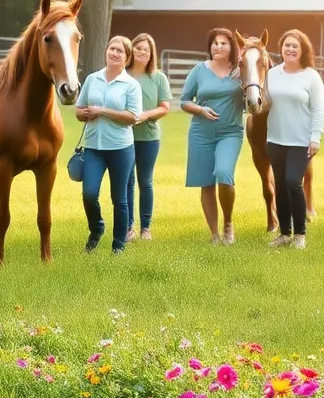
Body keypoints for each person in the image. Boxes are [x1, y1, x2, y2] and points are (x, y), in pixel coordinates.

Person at [75, 36, 143, 254]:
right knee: (89, 193)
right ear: (106, 51)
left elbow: (133, 117)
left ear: (127, 58)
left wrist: (102, 111)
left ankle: (118, 245)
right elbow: (78, 109)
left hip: (121, 149)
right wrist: (85, 114)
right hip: (94, 147)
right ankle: (96, 229)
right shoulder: (92, 79)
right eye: (112, 49)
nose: (114, 53)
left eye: (120, 51)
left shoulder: (131, 85)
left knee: (119, 199)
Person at [180, 28, 246, 245]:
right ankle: (215, 235)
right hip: (201, 133)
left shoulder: (239, 71)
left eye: (224, 43)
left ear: (232, 47)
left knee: (224, 173)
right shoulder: (199, 70)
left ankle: (228, 223)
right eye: (215, 43)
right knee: (206, 182)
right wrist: (200, 110)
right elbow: (184, 101)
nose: (218, 46)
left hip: (230, 132)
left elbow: (255, 93)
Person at [265, 30, 324, 249]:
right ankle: (284, 233)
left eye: (295, 46)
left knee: (293, 182)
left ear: (302, 50)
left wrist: (315, 138)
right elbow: (264, 102)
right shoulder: (272, 73)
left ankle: (300, 234)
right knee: (279, 185)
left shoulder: (311, 76)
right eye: (287, 45)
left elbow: (318, 110)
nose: (290, 50)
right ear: (281, 48)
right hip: (275, 139)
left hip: (301, 141)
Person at [125, 33, 172, 242]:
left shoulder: (158, 78)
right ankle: (128, 228)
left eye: (146, 49)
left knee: (145, 181)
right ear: (132, 50)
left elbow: (165, 107)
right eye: (138, 47)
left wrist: (145, 115)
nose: (142, 52)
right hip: (123, 137)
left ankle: (145, 228)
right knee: (127, 181)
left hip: (149, 138)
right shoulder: (123, 75)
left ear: (151, 53)